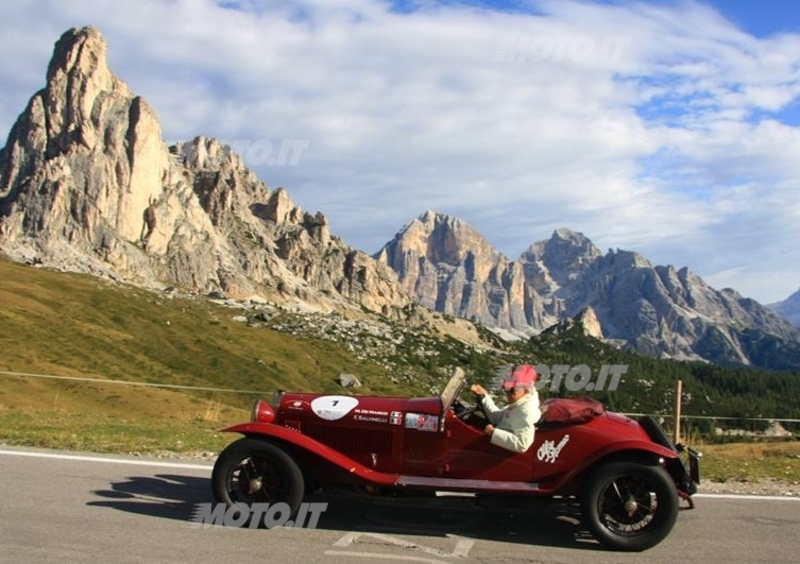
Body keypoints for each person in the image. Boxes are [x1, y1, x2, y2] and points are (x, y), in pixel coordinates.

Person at [469, 364, 542, 453]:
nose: (507, 393)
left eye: (511, 390)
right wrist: (484, 396)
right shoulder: (518, 404)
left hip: (498, 455)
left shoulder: (526, 412)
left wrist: (494, 433)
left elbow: (522, 444)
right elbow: (496, 417)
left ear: (526, 390)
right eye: (506, 388)